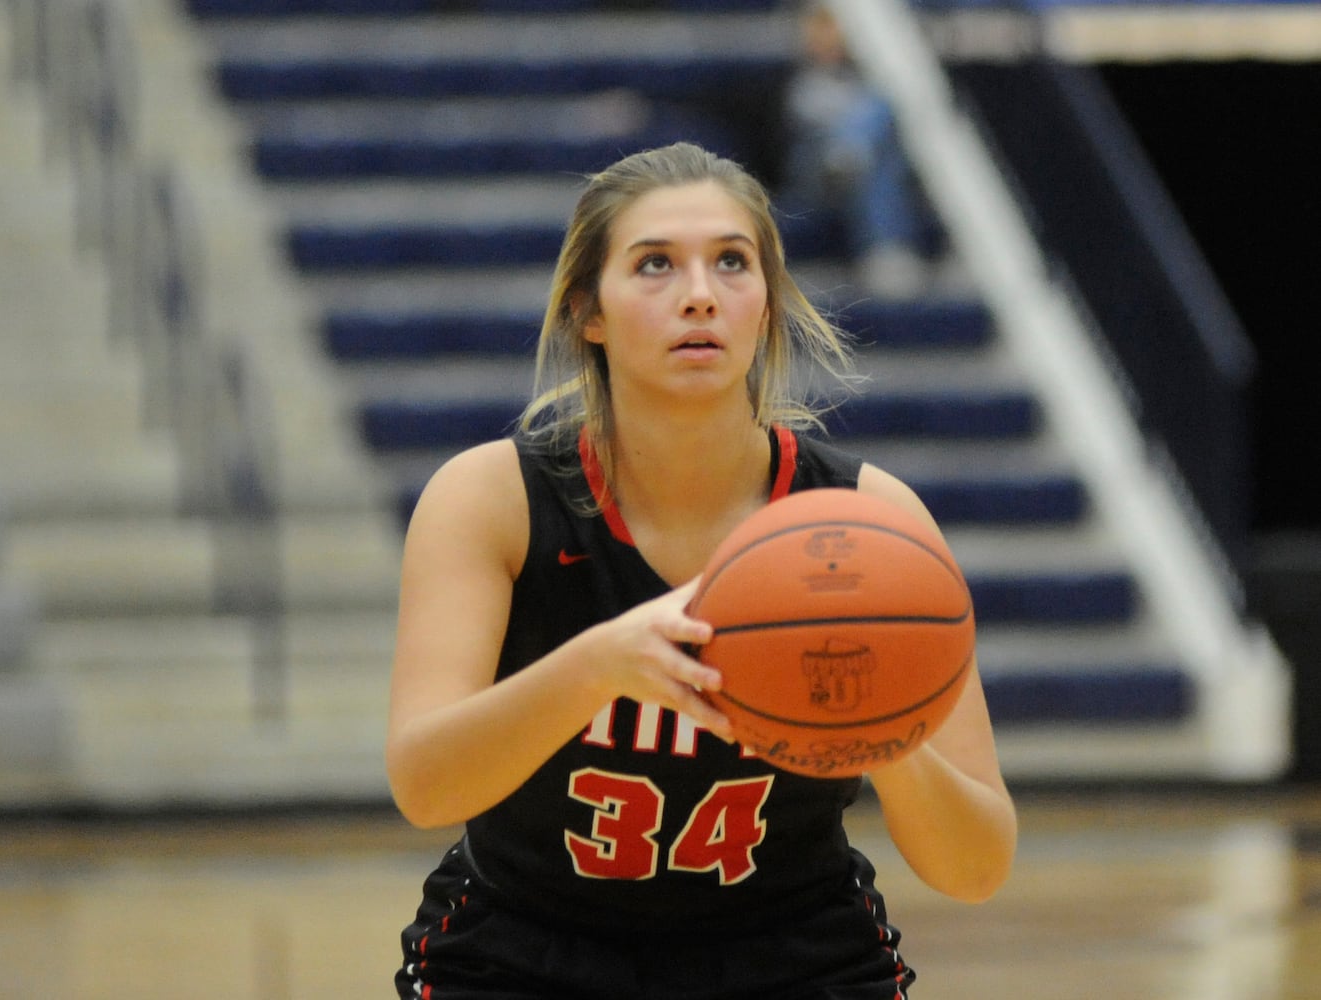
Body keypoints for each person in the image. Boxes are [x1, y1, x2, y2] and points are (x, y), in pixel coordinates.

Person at [386, 141, 1015, 999]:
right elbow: (423, 786)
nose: (699, 294)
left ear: (766, 304)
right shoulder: (491, 498)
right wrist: (599, 664)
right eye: (654, 265)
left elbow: (976, 866)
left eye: (731, 262)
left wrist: (880, 737)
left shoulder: (871, 524)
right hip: (528, 948)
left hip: (793, 952)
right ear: (587, 313)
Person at [779, 0, 945, 300]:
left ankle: (850, 154)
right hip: (816, 179)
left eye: (835, 28)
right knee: (873, 131)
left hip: (864, 175)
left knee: (880, 158)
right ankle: (850, 155)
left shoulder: (878, 83)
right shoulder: (802, 85)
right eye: (820, 28)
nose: (828, 37)